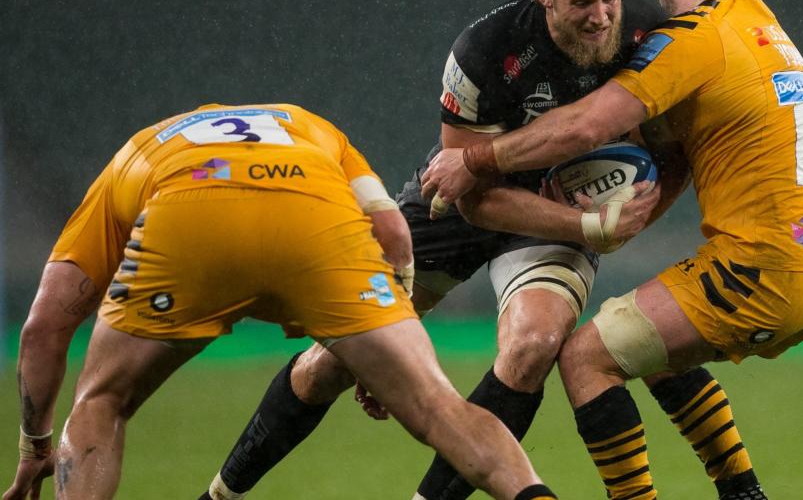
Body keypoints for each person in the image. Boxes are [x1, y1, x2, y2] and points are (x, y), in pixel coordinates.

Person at [199, 0, 767, 500]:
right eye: (582, 3)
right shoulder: (483, 51)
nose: (600, 16)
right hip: (465, 206)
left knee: (532, 347)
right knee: (332, 364)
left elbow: (675, 154)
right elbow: (472, 201)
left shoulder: (651, 35)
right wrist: (588, 224)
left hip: (557, 221)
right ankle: (220, 495)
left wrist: (632, 216)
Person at [422, 0, 803, 499]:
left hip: (762, 267)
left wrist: (473, 160)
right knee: (648, 342)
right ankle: (742, 491)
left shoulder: (697, 34)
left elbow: (584, 129)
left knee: (585, 359)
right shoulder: (767, 30)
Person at [2, 103, 559, 500]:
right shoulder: (308, 126)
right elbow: (394, 233)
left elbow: (44, 326)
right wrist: (383, 332)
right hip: (313, 216)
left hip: (190, 214)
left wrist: (34, 446)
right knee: (441, 410)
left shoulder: (140, 150)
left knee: (101, 402)